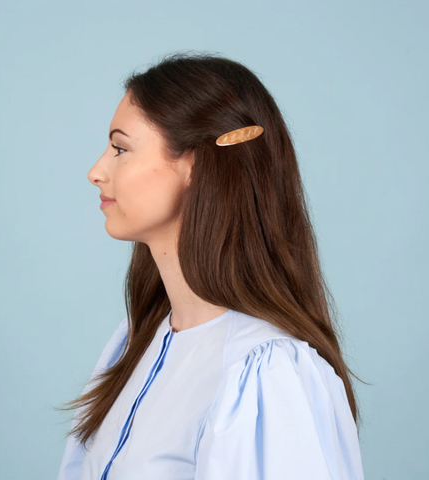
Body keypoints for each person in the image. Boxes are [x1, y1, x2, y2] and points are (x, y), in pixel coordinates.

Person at [55, 52, 366, 480]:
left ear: (195, 166)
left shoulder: (267, 374)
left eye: (120, 148)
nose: (96, 171)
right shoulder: (135, 343)